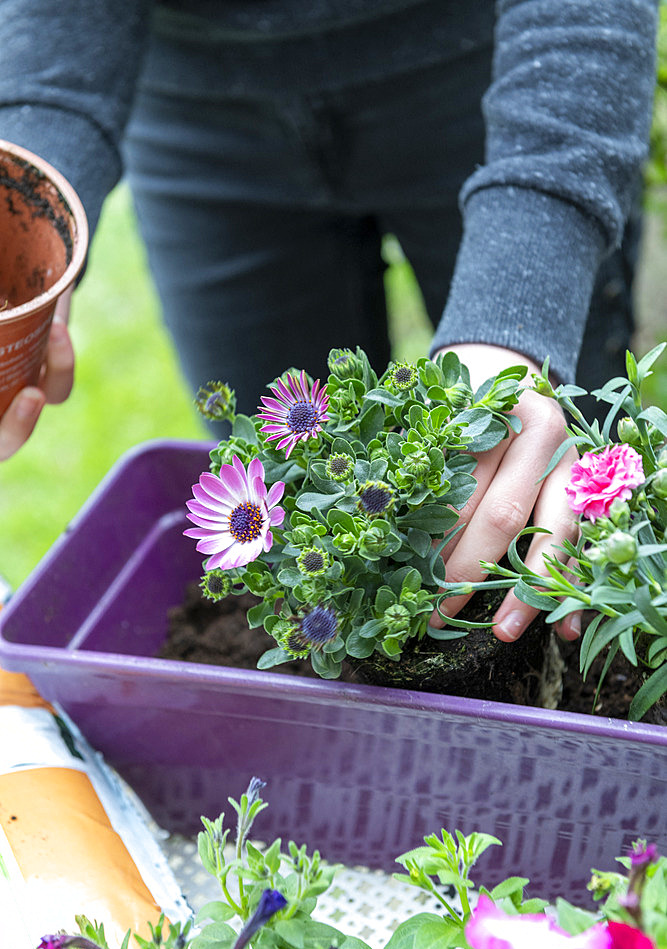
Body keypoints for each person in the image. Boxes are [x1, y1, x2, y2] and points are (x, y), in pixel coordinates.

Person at [0, 0, 659, 645]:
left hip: (496, 76)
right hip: (194, 107)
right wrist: (25, 226)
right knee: (290, 526)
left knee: (541, 497)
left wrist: (518, 315)